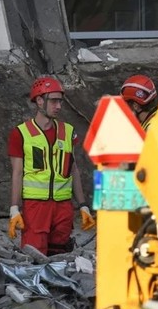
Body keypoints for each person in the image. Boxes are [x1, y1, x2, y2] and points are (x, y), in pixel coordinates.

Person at [7, 76, 96, 256]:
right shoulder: (21, 134)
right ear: (40, 101)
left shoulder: (68, 132)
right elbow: (17, 173)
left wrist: (83, 205)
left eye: (60, 101)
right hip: (35, 207)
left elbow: (73, 169)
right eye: (54, 101)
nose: (58, 106)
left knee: (60, 255)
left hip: (63, 207)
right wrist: (14, 208)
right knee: (35, 255)